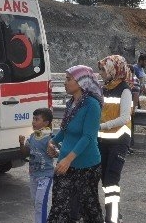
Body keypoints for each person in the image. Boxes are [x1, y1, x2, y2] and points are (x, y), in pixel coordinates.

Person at [46, 65, 103, 223]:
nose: (65, 82)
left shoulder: (92, 105)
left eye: (68, 79)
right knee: (59, 206)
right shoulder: (71, 102)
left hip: (87, 167)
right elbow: (65, 130)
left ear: (81, 82)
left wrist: (68, 159)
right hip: (65, 164)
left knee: (89, 209)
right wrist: (52, 141)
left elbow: (88, 137)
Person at [97, 55, 133, 223]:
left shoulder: (124, 90)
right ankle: (115, 214)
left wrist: (102, 126)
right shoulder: (105, 88)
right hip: (103, 141)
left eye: (104, 70)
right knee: (105, 180)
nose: (101, 73)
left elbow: (125, 118)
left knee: (111, 180)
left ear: (114, 70)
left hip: (119, 141)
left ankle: (111, 219)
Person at [19, 108, 55, 223]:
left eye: (37, 119)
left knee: (41, 204)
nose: (33, 122)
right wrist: (21, 143)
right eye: (33, 119)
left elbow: (56, 152)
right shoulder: (32, 136)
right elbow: (25, 153)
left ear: (46, 123)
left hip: (46, 176)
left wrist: (53, 150)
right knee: (36, 203)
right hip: (33, 175)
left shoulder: (49, 137)